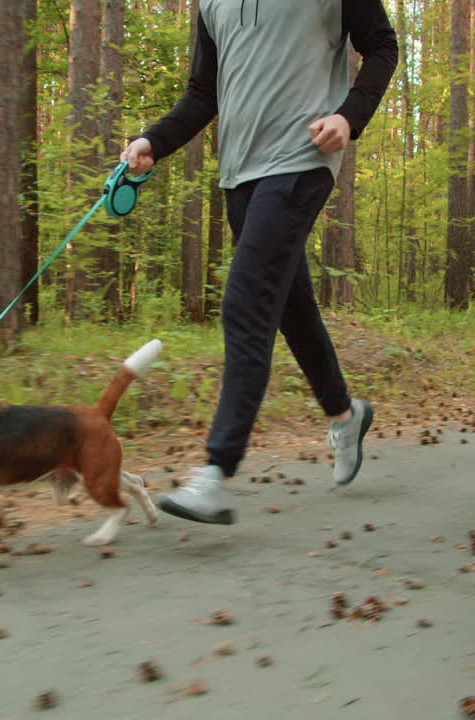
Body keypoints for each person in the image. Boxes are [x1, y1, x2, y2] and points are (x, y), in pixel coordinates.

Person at [121, 1, 398, 525]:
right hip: (239, 173)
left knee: (245, 303)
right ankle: (345, 412)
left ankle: (216, 471)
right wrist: (153, 141)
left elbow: (383, 45)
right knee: (291, 305)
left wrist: (349, 115)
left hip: (301, 159)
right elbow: (205, 92)